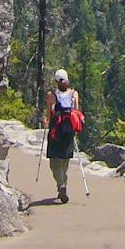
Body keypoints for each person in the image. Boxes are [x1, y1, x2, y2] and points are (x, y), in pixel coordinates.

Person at [45, 68, 82, 203]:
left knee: (54, 162)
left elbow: (48, 116)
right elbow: (76, 112)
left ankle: (61, 185)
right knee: (65, 161)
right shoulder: (74, 94)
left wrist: (46, 123)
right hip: (68, 132)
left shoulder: (51, 95)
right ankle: (63, 185)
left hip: (56, 131)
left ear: (56, 81)